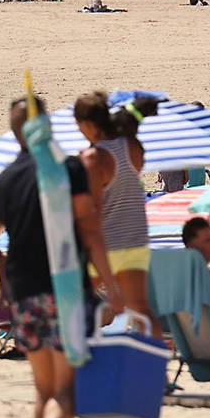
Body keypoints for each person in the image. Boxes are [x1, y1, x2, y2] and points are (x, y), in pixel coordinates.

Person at [0, 94, 125, 418]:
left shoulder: (3, 181)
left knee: (44, 392)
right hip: (66, 291)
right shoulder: (70, 170)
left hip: (24, 293)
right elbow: (90, 229)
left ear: (15, 134)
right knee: (68, 393)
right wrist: (111, 285)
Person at [73, 92, 157, 321]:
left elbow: (93, 214)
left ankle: (83, 356)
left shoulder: (92, 160)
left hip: (106, 244)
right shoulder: (132, 148)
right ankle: (155, 356)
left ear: (88, 123)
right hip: (135, 241)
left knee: (79, 309)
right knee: (141, 311)